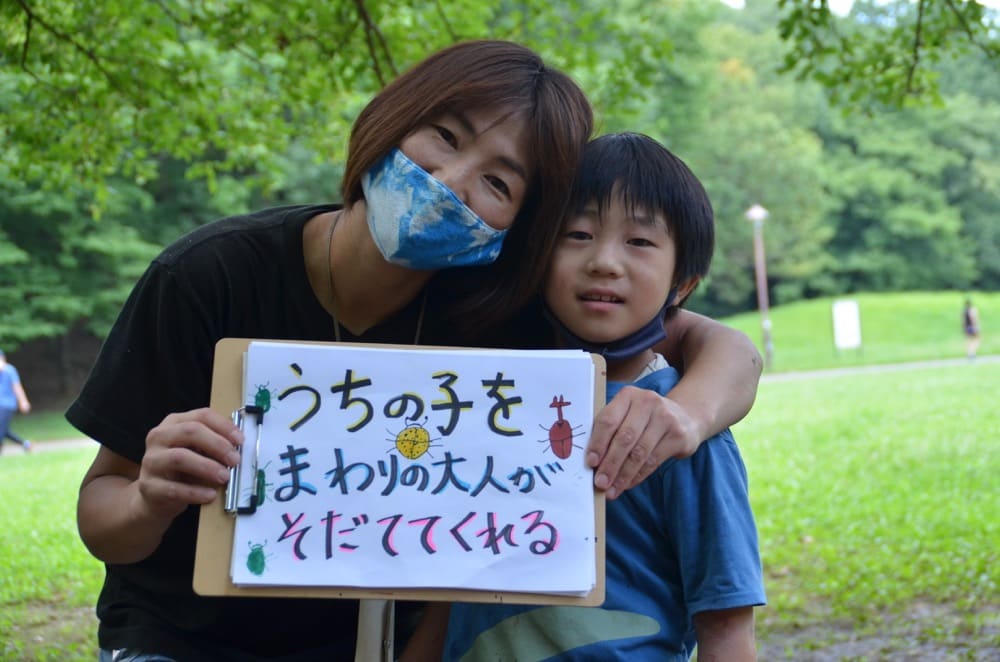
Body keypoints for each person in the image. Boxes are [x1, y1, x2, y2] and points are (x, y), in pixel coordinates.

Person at [67, 42, 762, 660]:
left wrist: (687, 418)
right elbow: (105, 517)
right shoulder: (207, 277)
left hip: (373, 643)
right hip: (177, 638)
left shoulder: (501, 312)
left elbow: (721, 345)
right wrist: (150, 500)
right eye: (444, 136)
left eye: (499, 183)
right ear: (393, 119)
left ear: (522, 229)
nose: (451, 181)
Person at [419, 133, 766, 661]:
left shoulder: (678, 431)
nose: (604, 261)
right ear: (536, 256)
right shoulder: (482, 405)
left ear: (683, 286)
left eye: (640, 242)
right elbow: (450, 588)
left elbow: (726, 626)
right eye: (576, 233)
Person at [0, 349, 32, 454]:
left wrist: (23, 401)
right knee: (4, 430)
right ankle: (25, 444)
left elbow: (17, 387)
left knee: (1, 429)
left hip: (6, 405)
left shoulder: (9, 370)